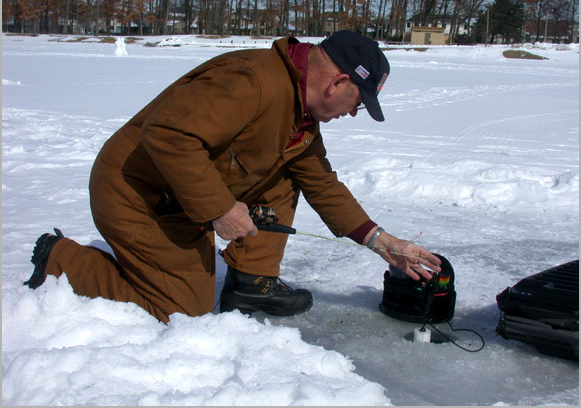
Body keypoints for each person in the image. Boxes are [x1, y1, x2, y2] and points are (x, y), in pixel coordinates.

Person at [24, 30, 442, 323]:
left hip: (180, 199)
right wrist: (221, 208)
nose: (354, 113)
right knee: (182, 311)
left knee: (289, 171)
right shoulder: (253, 81)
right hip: (135, 194)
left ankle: (251, 279)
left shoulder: (300, 116)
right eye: (358, 102)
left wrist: (380, 240)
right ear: (338, 82)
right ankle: (63, 259)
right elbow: (168, 134)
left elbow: (321, 182)